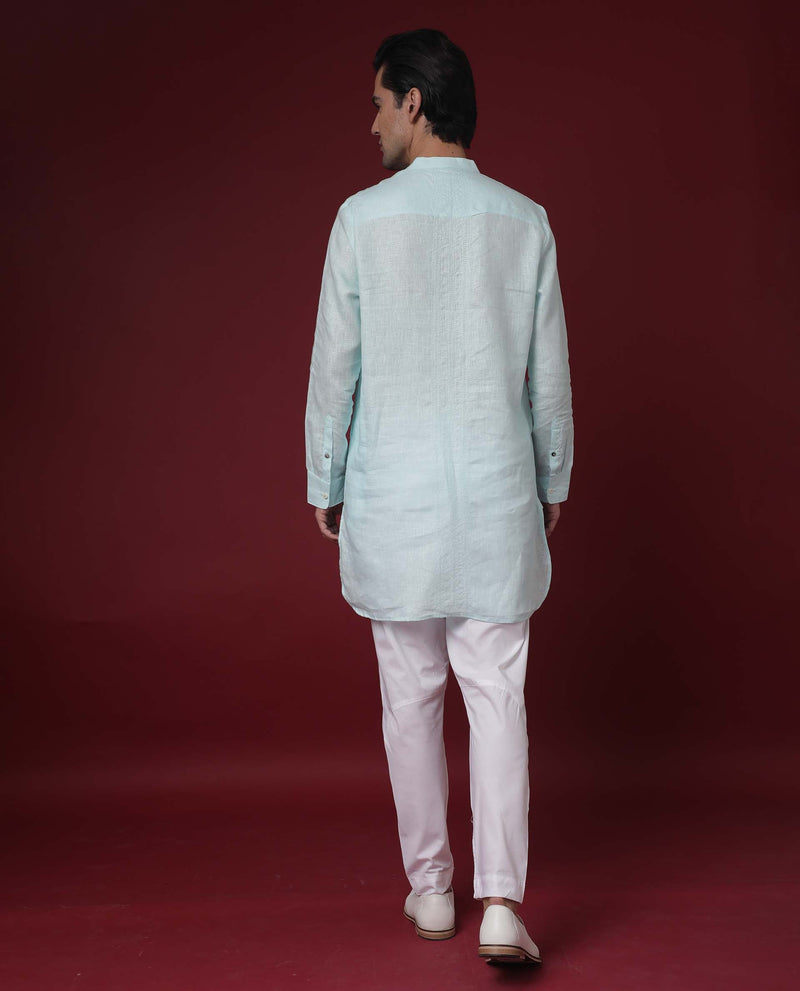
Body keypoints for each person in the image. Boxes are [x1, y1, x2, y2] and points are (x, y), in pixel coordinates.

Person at [304, 28, 574, 965]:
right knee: (498, 694)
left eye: (380, 103)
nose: (374, 122)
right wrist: (551, 478)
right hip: (498, 494)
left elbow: (335, 369)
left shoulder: (361, 220)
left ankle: (430, 889)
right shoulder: (525, 221)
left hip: (395, 497)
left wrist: (325, 479)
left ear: (414, 103)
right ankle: (501, 902)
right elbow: (549, 378)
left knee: (408, 697)